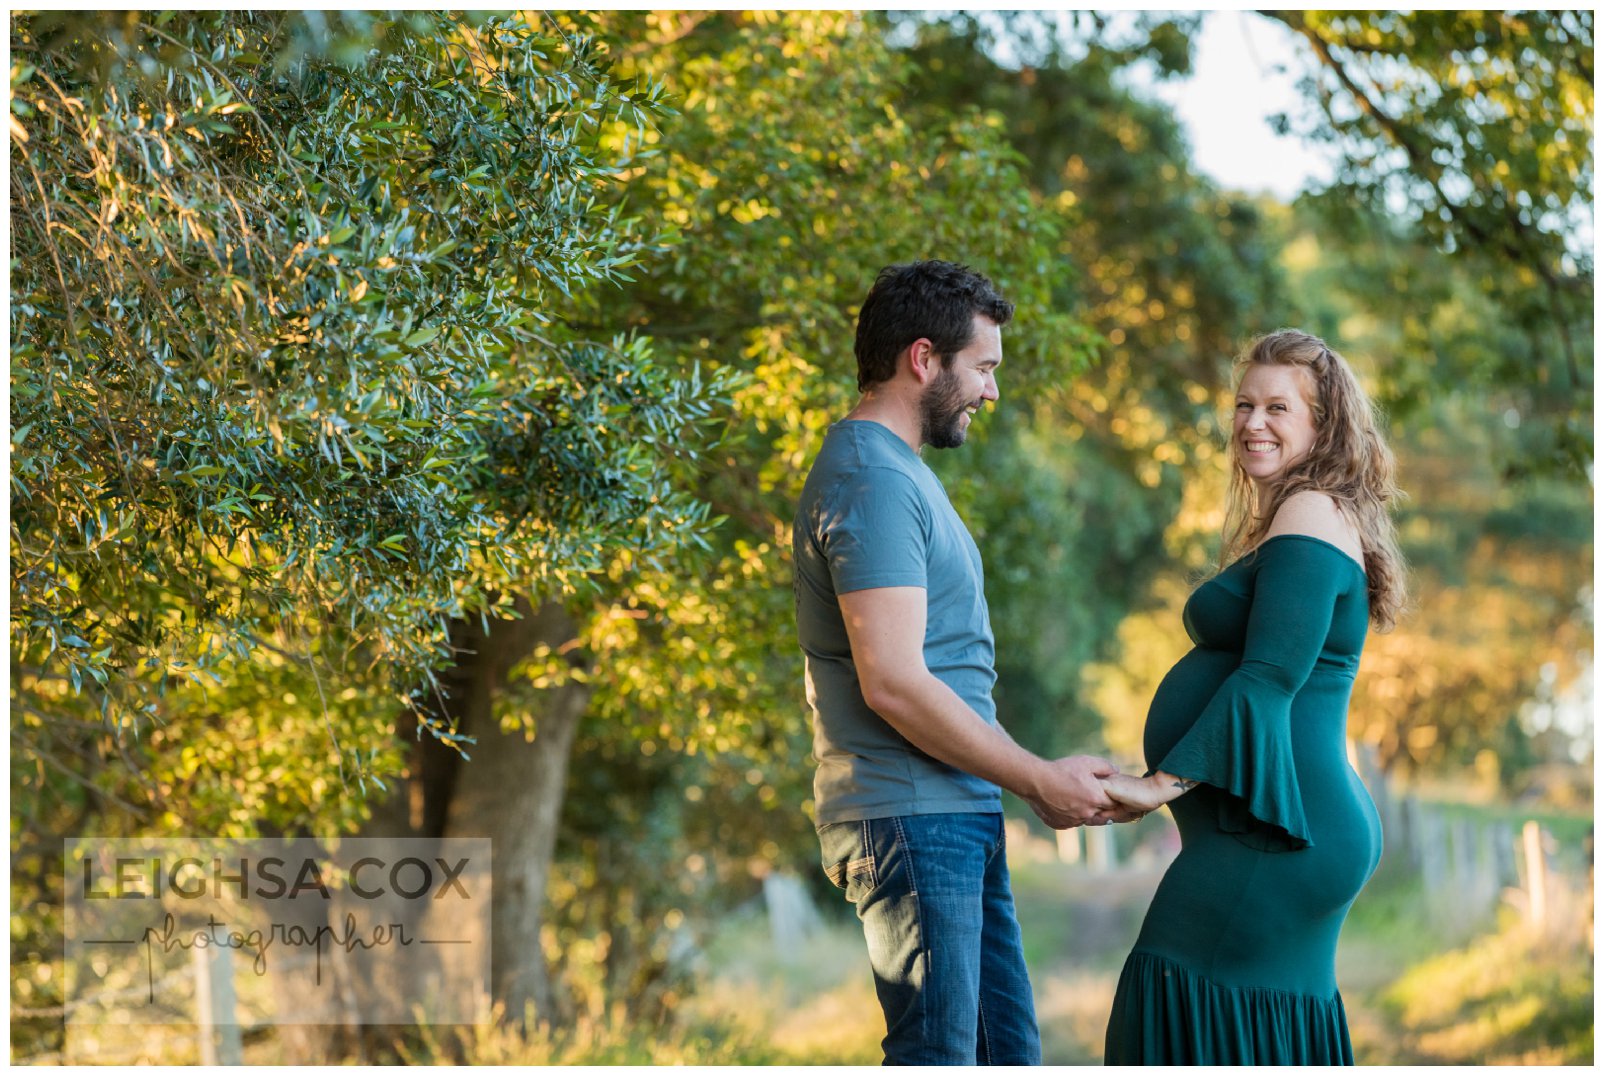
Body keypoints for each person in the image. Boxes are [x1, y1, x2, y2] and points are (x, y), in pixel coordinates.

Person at [793, 260, 1133, 1065]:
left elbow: (945, 672)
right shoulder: (872, 477)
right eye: (982, 368)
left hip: (950, 814)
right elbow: (895, 682)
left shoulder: (898, 472)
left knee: (1003, 1055)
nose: (991, 391)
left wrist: (1034, 771)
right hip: (910, 818)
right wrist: (1034, 778)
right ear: (923, 359)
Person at [1099, 329, 1407, 1065]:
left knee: (1171, 998)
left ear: (1323, 426)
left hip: (1278, 832)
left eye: (1278, 407)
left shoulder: (1310, 514)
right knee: (1249, 1030)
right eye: (1244, 404)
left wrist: (1155, 788)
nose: (1252, 423)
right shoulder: (1302, 517)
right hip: (1283, 822)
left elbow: (1269, 679)